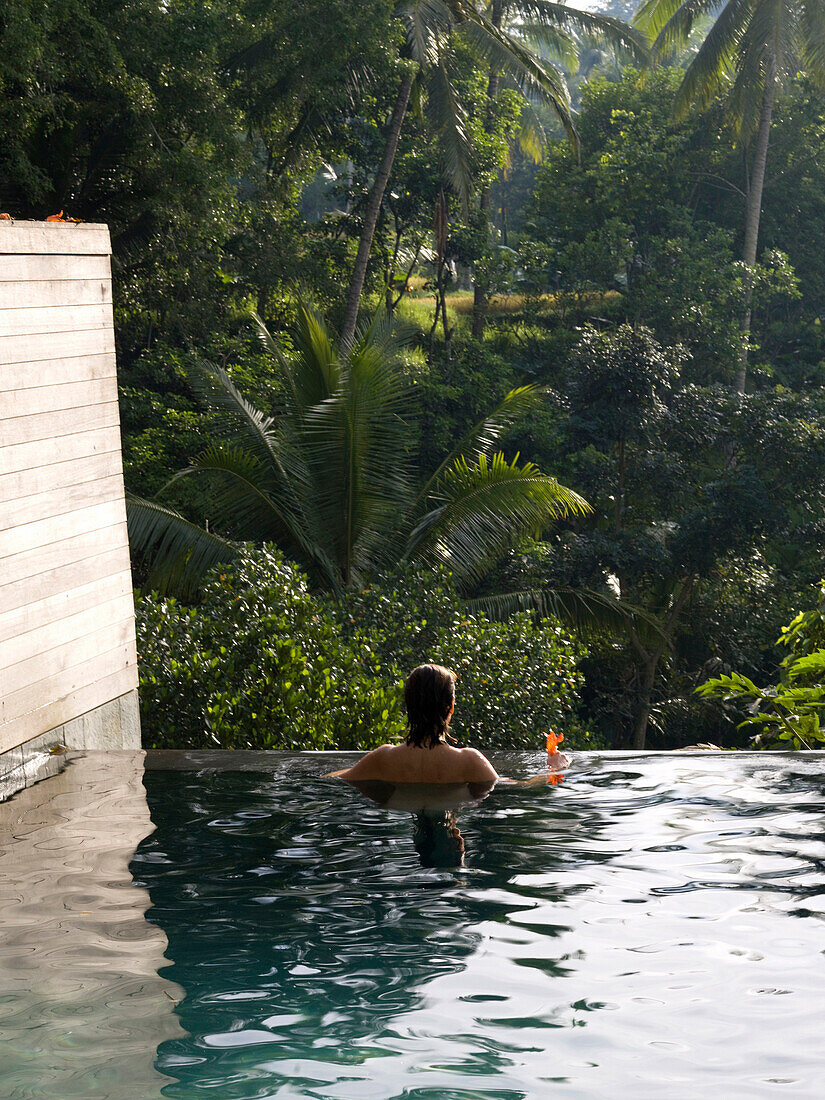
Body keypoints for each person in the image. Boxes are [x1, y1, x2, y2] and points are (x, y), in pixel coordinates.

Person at [325, 663, 570, 786]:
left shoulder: (383, 758)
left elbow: (333, 779)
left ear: (409, 706)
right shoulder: (469, 761)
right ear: (450, 706)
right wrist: (556, 768)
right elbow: (521, 787)